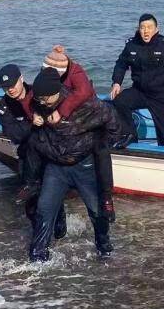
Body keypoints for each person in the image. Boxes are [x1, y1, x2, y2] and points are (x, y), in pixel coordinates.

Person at [27, 69, 129, 261]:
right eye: (38, 99)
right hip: (55, 167)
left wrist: (103, 144)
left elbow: (110, 117)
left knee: (96, 210)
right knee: (44, 209)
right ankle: (38, 257)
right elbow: (28, 108)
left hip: (84, 165)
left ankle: (104, 248)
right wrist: (34, 117)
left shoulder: (82, 105)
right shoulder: (38, 103)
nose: (42, 102)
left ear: (56, 91)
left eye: (45, 99)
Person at [40, 46, 117, 221]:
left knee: (101, 150)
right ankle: (55, 209)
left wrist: (62, 111)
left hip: (88, 118)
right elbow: (38, 91)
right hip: (63, 129)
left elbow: (84, 92)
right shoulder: (46, 72)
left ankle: (106, 198)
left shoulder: (75, 71)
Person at [0, 64, 68, 239]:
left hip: (49, 151)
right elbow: (14, 135)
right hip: (27, 156)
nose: (10, 89)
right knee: (32, 204)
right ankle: (41, 235)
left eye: (13, 84)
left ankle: (60, 228)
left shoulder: (39, 92)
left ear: (21, 78)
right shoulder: (3, 108)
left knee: (53, 195)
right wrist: (31, 122)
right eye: (5, 87)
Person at [110, 14, 164, 147]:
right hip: (139, 91)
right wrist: (117, 82)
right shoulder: (131, 45)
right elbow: (121, 64)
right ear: (138, 29)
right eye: (142, 27)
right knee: (119, 101)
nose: (146, 31)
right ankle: (131, 137)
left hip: (161, 95)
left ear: (156, 29)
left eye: (149, 27)